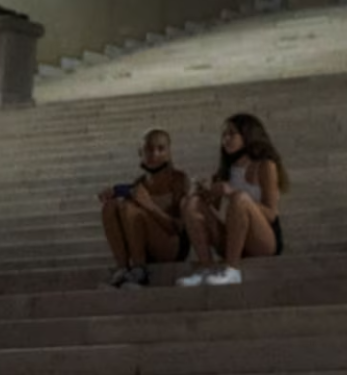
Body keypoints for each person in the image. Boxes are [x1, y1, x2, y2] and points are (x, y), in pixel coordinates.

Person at [181, 111, 286, 288]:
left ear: (248, 135)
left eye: (232, 134)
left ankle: (232, 270)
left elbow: (271, 214)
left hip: (263, 240)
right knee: (190, 203)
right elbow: (210, 214)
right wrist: (203, 193)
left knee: (240, 199)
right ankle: (206, 268)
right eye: (224, 135)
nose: (226, 139)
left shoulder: (265, 165)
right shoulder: (224, 171)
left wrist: (232, 193)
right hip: (232, 238)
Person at [98, 128, 192, 287]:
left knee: (130, 208)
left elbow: (179, 228)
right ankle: (122, 268)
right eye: (149, 149)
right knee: (111, 206)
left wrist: (149, 206)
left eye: (160, 149)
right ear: (140, 152)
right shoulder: (139, 183)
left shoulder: (179, 180)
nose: (154, 154)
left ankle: (140, 272)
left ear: (169, 152)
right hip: (145, 246)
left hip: (171, 245)